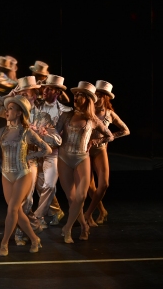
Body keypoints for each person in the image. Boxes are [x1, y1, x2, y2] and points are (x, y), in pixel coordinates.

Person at [0, 95, 51, 255]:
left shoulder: (26, 132)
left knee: (12, 208)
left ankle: (4, 243)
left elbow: (46, 149)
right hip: (6, 174)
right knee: (17, 212)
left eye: (11, 108)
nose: (7, 111)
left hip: (22, 173)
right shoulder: (3, 131)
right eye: (7, 108)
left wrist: (30, 156)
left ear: (20, 113)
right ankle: (35, 239)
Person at [55, 81, 114, 243]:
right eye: (76, 94)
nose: (76, 97)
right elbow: (54, 130)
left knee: (80, 197)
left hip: (82, 158)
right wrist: (52, 136)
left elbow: (110, 135)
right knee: (72, 199)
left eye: (81, 95)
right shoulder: (66, 115)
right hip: (64, 158)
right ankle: (83, 226)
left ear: (88, 99)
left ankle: (67, 227)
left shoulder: (94, 120)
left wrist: (95, 141)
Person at [84, 80, 130, 227]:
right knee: (90, 187)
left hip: (100, 150)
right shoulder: (87, 111)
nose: (96, 97)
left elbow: (126, 130)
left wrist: (106, 138)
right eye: (94, 95)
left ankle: (89, 213)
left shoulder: (109, 114)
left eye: (98, 95)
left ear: (105, 97)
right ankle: (97, 212)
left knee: (103, 185)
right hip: (85, 151)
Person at [34, 75, 72, 226]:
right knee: (40, 185)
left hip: (54, 153)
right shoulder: (36, 106)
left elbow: (66, 136)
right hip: (36, 151)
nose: (45, 90)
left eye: (49, 89)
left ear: (57, 92)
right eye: (44, 87)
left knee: (49, 185)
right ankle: (56, 211)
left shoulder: (66, 111)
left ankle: (38, 218)